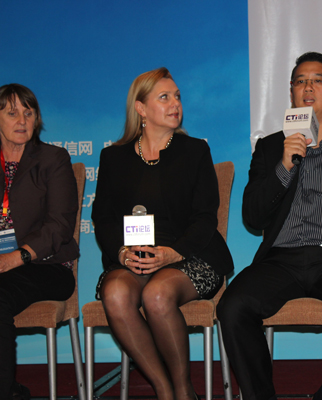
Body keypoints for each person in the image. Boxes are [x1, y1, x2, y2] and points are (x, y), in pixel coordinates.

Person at [217, 52, 322, 400]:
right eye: (300, 81)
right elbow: (252, 216)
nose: (308, 87)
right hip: (279, 260)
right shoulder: (270, 147)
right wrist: (284, 165)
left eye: (318, 80)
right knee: (232, 307)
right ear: (292, 92)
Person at [92, 67, 233, 400]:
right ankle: (164, 389)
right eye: (165, 97)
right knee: (115, 294)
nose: (175, 104)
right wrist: (122, 253)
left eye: (177, 97)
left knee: (157, 295)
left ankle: (183, 390)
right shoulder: (113, 157)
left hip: (191, 255)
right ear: (141, 108)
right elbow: (104, 218)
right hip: (136, 256)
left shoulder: (195, 151)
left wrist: (172, 253)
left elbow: (205, 217)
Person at [0, 84, 79, 400]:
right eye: (12, 113)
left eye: (28, 113)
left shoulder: (52, 159)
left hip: (46, 265)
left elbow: (59, 225)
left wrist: (14, 258)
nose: (22, 120)